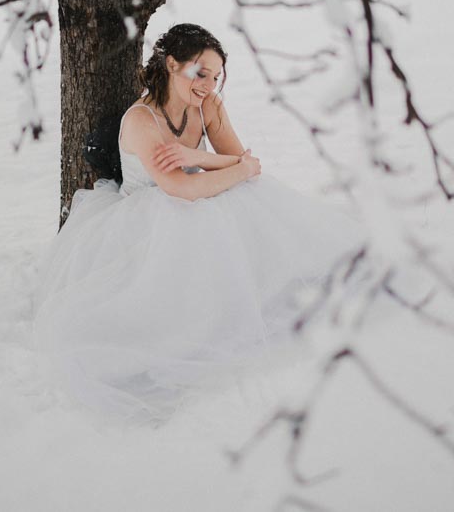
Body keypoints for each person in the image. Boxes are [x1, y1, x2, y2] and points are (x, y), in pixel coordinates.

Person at [30, 23, 370, 424]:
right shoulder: (141, 121)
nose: (208, 84)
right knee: (196, 230)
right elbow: (179, 189)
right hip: (149, 220)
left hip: (198, 198)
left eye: (215, 76)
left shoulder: (205, 105)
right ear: (172, 64)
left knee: (247, 204)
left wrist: (210, 156)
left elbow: (248, 164)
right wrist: (233, 168)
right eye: (200, 72)